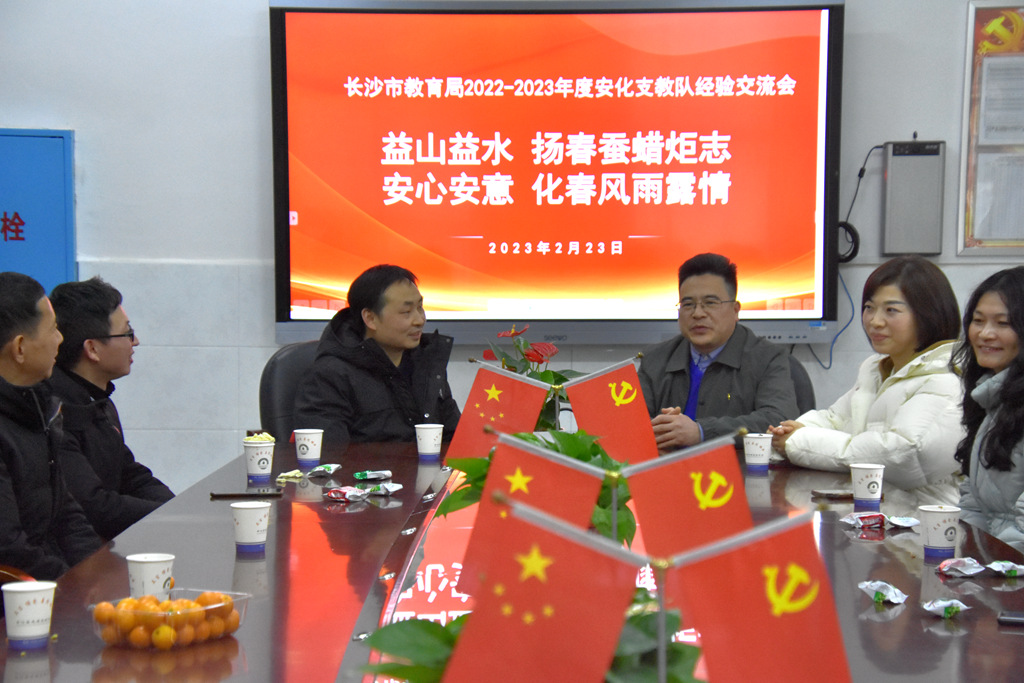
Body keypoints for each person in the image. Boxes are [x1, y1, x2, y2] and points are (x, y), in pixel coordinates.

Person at [770, 256, 963, 505]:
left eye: (891, 310)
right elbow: (836, 419)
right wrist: (790, 431)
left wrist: (798, 442)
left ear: (928, 314)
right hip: (874, 509)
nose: (874, 321)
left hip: (921, 518)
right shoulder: (876, 369)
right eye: (870, 307)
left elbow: (904, 454)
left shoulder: (946, 377)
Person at [48, 277, 173, 539]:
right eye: (127, 333)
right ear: (92, 348)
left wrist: (178, 508)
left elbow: (130, 474)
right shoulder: (56, 413)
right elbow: (95, 507)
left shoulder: (98, 399)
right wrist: (169, 517)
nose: (135, 341)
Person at [638, 253, 798, 451]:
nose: (698, 313)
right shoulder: (654, 358)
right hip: (666, 467)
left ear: (735, 310)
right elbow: (630, 422)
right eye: (688, 304)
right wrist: (661, 426)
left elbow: (778, 419)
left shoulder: (768, 358)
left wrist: (701, 431)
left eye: (710, 303)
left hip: (737, 467)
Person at [0, 272, 102, 579]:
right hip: (23, 595)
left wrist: (98, 573)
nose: (60, 339)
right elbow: (10, 549)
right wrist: (73, 587)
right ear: (20, 347)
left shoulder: (39, 408)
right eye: (53, 329)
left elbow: (67, 515)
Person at [293, 264, 460, 447]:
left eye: (420, 307)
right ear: (370, 318)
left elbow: (456, 439)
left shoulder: (427, 363)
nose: (420, 320)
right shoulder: (330, 376)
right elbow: (328, 454)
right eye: (406, 312)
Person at [955, 266, 1024, 551]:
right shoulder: (991, 396)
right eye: (978, 320)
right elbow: (973, 501)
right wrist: (964, 554)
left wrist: (995, 568)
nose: (985, 333)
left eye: (1003, 323)